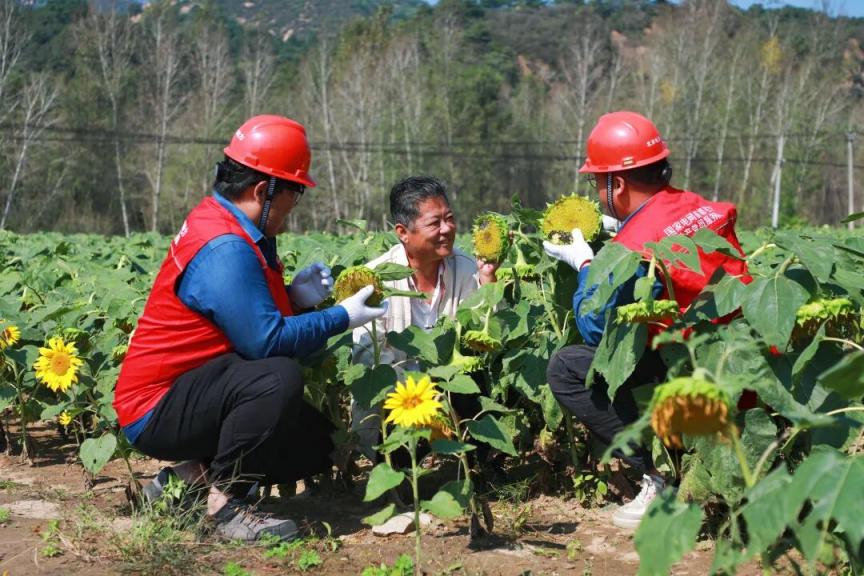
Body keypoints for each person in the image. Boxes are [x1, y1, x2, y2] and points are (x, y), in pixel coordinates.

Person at [113, 115, 387, 542]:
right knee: (277, 378)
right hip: (155, 407)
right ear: (264, 190)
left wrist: (295, 300)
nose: (291, 212)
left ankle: (187, 480)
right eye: (293, 199)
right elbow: (266, 342)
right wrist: (342, 317)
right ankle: (226, 506)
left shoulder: (231, 227)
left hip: (190, 388)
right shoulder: (225, 246)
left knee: (311, 442)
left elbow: (247, 319)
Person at [542, 111, 749, 529]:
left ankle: (658, 478)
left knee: (570, 367)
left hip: (694, 362)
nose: (596, 190)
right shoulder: (696, 206)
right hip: (742, 347)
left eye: (596, 182)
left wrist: (586, 263)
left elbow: (597, 328)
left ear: (615, 184)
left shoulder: (635, 244)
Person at [351, 176, 496, 462]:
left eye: (450, 218)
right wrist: (425, 400)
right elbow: (369, 360)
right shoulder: (375, 280)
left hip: (451, 392)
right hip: (401, 401)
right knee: (397, 458)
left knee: (473, 378)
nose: (447, 229)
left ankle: (481, 467)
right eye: (435, 223)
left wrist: (489, 282)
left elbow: (482, 339)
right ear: (403, 232)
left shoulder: (466, 269)